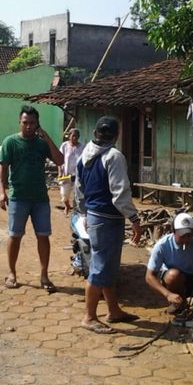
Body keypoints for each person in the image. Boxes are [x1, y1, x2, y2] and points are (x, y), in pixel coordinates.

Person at [76, 116, 142, 334]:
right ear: (116, 135)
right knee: (100, 267)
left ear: (95, 133)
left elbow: (79, 190)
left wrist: (84, 211)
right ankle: (89, 316)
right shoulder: (114, 157)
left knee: (108, 265)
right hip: (108, 219)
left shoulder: (84, 156)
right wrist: (134, 218)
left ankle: (113, 310)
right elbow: (120, 193)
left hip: (94, 216)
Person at [0, 106, 63, 291]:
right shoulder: (10, 142)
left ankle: (44, 276)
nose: (28, 126)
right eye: (25, 122)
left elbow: (59, 160)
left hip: (40, 199)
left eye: (32, 123)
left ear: (37, 124)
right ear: (20, 122)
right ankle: (12, 273)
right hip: (18, 197)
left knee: (43, 236)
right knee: (15, 236)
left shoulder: (42, 144)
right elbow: (2, 168)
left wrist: (47, 137)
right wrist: (2, 192)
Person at [58, 128, 84, 215]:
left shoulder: (82, 147)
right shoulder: (64, 146)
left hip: (77, 175)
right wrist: (60, 172)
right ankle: (67, 205)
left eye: (77, 136)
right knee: (64, 194)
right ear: (69, 136)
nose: (75, 138)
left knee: (77, 194)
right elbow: (59, 159)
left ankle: (76, 211)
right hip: (66, 174)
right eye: (73, 136)